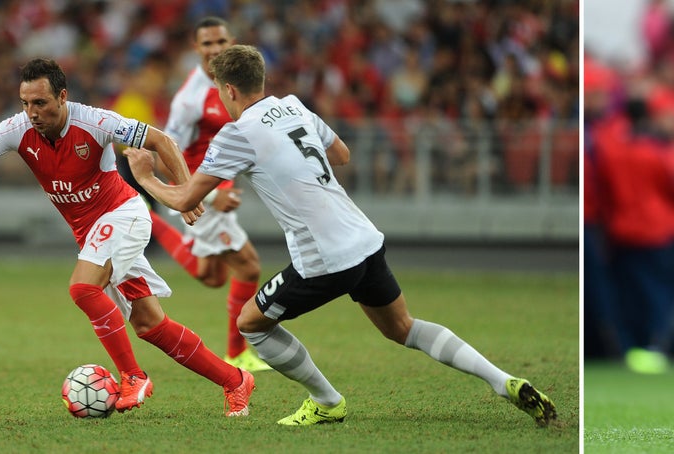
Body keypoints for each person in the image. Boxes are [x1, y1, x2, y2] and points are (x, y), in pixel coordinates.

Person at [123, 44, 557, 427]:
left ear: (230, 90)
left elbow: (183, 200)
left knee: (251, 325)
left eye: (220, 90)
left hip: (324, 258)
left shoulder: (237, 133)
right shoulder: (293, 105)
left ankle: (327, 401)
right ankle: (502, 382)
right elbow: (342, 154)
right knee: (402, 327)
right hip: (364, 239)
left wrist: (145, 177)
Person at [0, 58, 256, 417]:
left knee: (82, 288)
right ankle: (234, 381)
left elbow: (160, 140)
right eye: (26, 103)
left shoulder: (95, 121)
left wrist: (186, 193)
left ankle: (133, 376)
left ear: (62, 96)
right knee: (150, 324)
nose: (32, 112)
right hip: (93, 234)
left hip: (123, 215)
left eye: (40, 103)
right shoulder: (15, 129)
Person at [146, 16, 270, 372]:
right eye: (207, 44)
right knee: (248, 266)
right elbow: (165, 153)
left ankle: (152, 221)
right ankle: (238, 353)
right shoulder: (191, 98)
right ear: (195, 48)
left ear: (232, 42)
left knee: (213, 276)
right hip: (203, 193)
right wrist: (206, 196)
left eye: (220, 42)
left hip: (219, 189)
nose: (215, 49)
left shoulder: (235, 81)